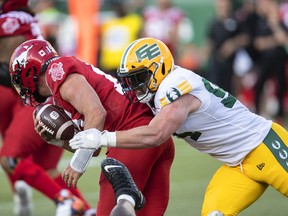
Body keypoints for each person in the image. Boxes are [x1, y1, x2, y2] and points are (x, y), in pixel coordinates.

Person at [69, 37, 288, 216]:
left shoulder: (174, 86)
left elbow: (156, 133)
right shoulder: (159, 94)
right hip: (236, 165)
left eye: (139, 78)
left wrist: (102, 138)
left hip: (264, 145)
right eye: (131, 80)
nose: (134, 87)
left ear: (159, 68)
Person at [9, 39, 175, 216]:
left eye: (20, 79)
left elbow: (96, 113)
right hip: (151, 138)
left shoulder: (56, 71)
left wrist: (77, 165)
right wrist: (59, 141)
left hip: (131, 136)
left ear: (30, 71)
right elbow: (93, 147)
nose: (22, 87)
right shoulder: (60, 88)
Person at [0, 0, 92, 215]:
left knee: (11, 159)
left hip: (35, 97)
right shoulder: (20, 19)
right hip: (42, 95)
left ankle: (65, 200)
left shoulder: (11, 21)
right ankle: (87, 211)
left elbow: (8, 69)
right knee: (46, 169)